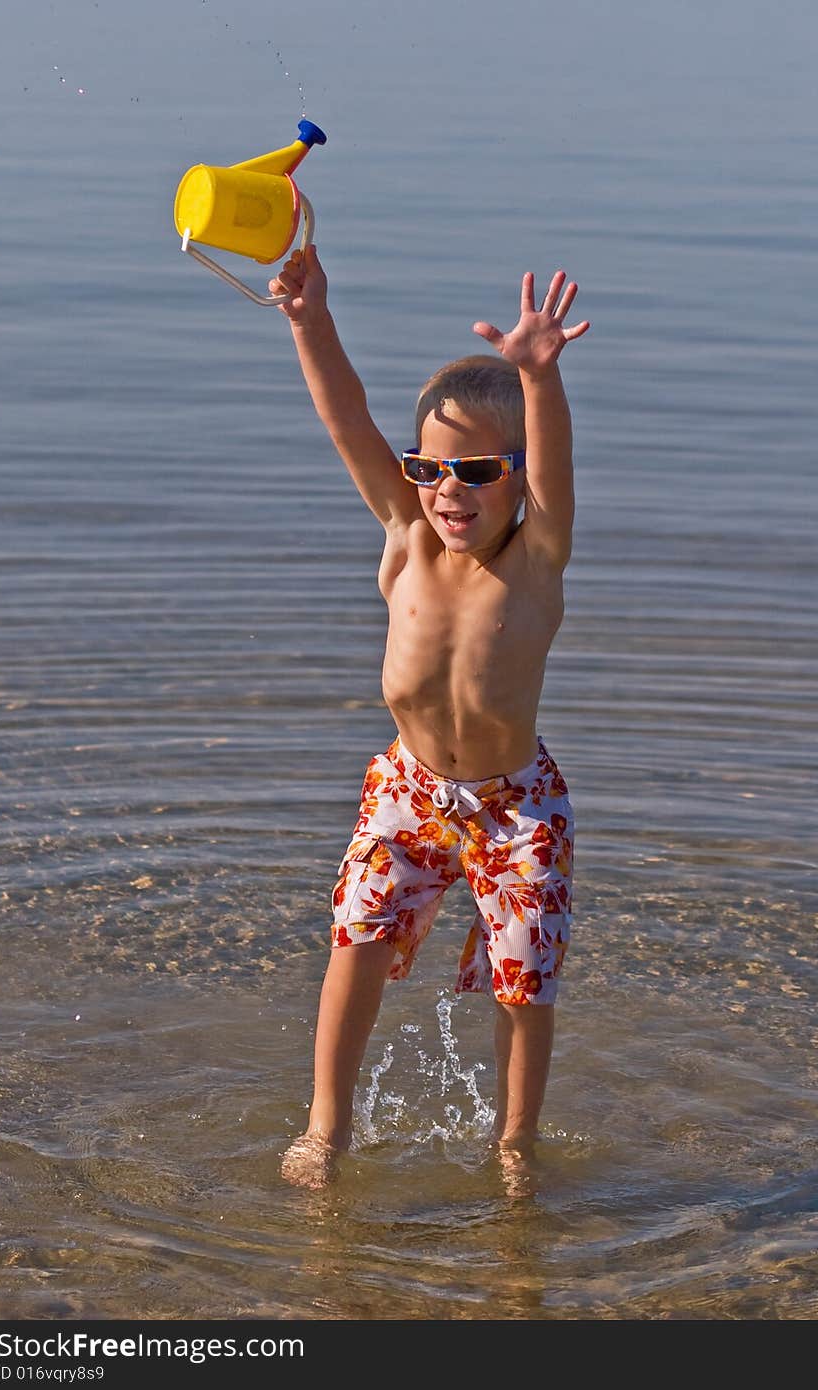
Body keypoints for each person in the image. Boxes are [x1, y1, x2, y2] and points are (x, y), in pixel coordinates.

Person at [271, 243, 589, 1188]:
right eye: (431, 469)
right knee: (357, 939)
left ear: (519, 479)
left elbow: (556, 465)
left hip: (514, 805)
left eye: (478, 472)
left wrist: (538, 377)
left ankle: (515, 1146)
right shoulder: (407, 535)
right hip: (408, 788)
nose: (448, 490)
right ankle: (325, 1130)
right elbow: (347, 420)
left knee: (524, 978)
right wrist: (310, 321)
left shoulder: (536, 559)